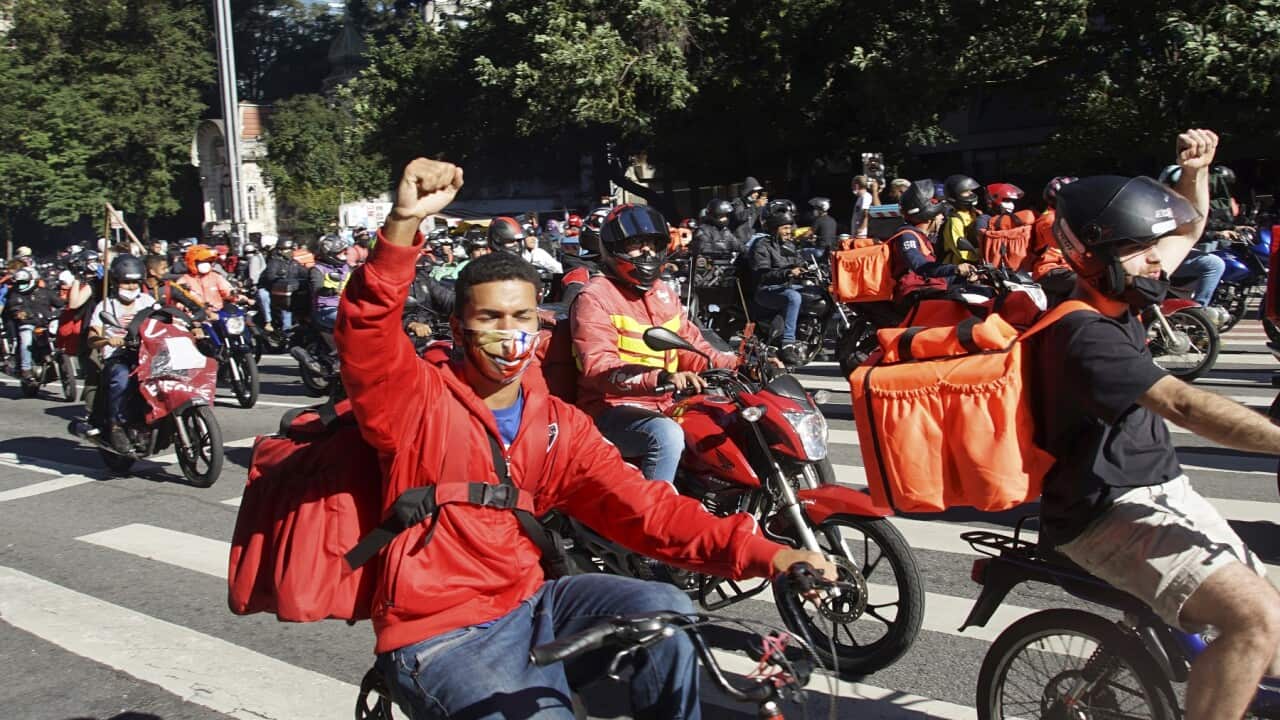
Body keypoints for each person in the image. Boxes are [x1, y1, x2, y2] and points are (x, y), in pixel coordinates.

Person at [337, 158, 833, 720]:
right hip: (440, 633)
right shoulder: (411, 405)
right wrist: (403, 224)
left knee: (668, 609)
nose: (509, 333)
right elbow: (367, 330)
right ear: (458, 328)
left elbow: (646, 510)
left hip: (533, 604)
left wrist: (770, 552)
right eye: (491, 318)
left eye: (521, 316)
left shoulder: (556, 424)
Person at [1039, 128, 1280, 720]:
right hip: (1104, 512)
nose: (1159, 258)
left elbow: (1188, 229)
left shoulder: (1124, 285)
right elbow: (1185, 406)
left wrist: (1194, 171)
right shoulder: (1082, 331)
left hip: (1161, 490)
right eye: (1141, 249)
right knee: (1253, 622)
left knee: (1272, 644)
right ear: (1092, 252)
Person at [572, 204, 743, 482]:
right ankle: (655, 518)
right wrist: (660, 377)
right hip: (610, 409)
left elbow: (693, 348)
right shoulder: (594, 296)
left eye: (653, 244)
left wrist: (738, 362)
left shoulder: (663, 293)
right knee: (666, 436)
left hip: (666, 403)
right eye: (637, 245)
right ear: (615, 249)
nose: (648, 253)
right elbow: (598, 366)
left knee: (727, 419)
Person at [87, 255, 156, 453]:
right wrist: (108, 340)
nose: (131, 286)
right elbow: (92, 338)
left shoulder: (148, 302)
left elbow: (164, 323)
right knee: (122, 379)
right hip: (118, 356)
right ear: (116, 282)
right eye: (126, 282)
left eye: (135, 282)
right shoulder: (106, 306)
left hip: (148, 353)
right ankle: (116, 424)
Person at [888, 179, 977, 306]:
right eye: (939, 214)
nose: (942, 218)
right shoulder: (907, 236)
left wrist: (964, 277)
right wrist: (955, 268)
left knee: (981, 293)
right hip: (914, 294)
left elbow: (934, 275)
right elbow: (920, 266)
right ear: (928, 216)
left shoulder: (923, 237)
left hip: (929, 289)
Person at [750, 210, 807, 366]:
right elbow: (762, 274)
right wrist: (788, 273)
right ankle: (788, 343)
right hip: (766, 290)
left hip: (784, 287)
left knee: (812, 293)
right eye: (785, 228)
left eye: (790, 228)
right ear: (775, 228)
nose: (789, 232)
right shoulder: (762, 246)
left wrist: (806, 268)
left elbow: (799, 261)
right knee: (793, 297)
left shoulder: (789, 245)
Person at [3, 267, 64, 379]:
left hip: (46, 323)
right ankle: (26, 368)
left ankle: (61, 358)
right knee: (26, 341)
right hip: (27, 324)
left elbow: (60, 303)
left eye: (24, 282)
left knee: (60, 333)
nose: (21, 285)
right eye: (19, 282)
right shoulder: (14, 294)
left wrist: (63, 309)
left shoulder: (44, 292)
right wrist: (20, 314)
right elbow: (12, 308)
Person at [1030, 176, 1079, 304]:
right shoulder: (1050, 220)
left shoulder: (1062, 217)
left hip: (1065, 268)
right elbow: (1068, 245)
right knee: (1085, 283)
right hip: (1050, 270)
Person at [257, 238, 308, 332]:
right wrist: (281, 281)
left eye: (291, 249)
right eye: (286, 249)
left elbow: (305, 273)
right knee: (265, 296)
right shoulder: (274, 262)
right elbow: (270, 276)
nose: (289, 251)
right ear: (280, 250)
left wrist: (312, 274)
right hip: (272, 289)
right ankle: (270, 322)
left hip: (289, 290)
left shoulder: (294, 263)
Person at [176, 244, 243, 312]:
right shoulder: (185, 280)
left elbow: (227, 291)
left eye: (209, 262)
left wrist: (235, 295)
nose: (206, 264)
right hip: (195, 315)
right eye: (203, 262)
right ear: (193, 262)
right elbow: (178, 299)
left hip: (217, 314)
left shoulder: (215, 276)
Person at [309, 234, 352, 331]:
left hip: (348, 306)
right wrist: (333, 291)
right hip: (326, 309)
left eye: (345, 252)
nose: (344, 255)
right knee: (351, 323)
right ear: (330, 255)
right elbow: (317, 289)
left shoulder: (346, 268)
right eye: (340, 253)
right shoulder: (317, 270)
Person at [940, 174, 984, 265]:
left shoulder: (974, 213)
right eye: (965, 191)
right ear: (954, 196)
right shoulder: (955, 220)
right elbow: (962, 252)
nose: (970, 194)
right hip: (958, 268)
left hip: (977, 263)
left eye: (970, 190)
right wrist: (982, 255)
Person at [730, 176, 767, 245]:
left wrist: (762, 207)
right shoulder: (738, 202)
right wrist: (755, 206)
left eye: (757, 192)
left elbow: (761, 220)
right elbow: (740, 217)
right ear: (748, 191)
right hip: (740, 241)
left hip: (753, 238)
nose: (757, 194)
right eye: (754, 192)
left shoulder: (754, 204)